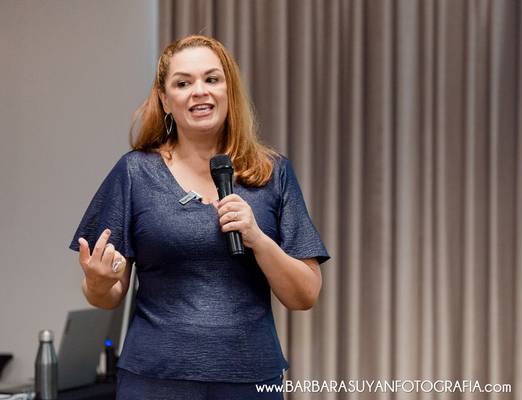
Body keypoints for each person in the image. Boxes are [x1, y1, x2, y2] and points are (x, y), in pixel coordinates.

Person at [69, 35, 329, 400]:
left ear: (229, 90)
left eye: (212, 79)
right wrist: (98, 281)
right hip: (155, 380)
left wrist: (257, 238)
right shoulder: (134, 172)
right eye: (183, 83)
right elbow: (107, 296)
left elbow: (305, 295)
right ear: (165, 100)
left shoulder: (273, 173)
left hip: (250, 379)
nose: (199, 92)